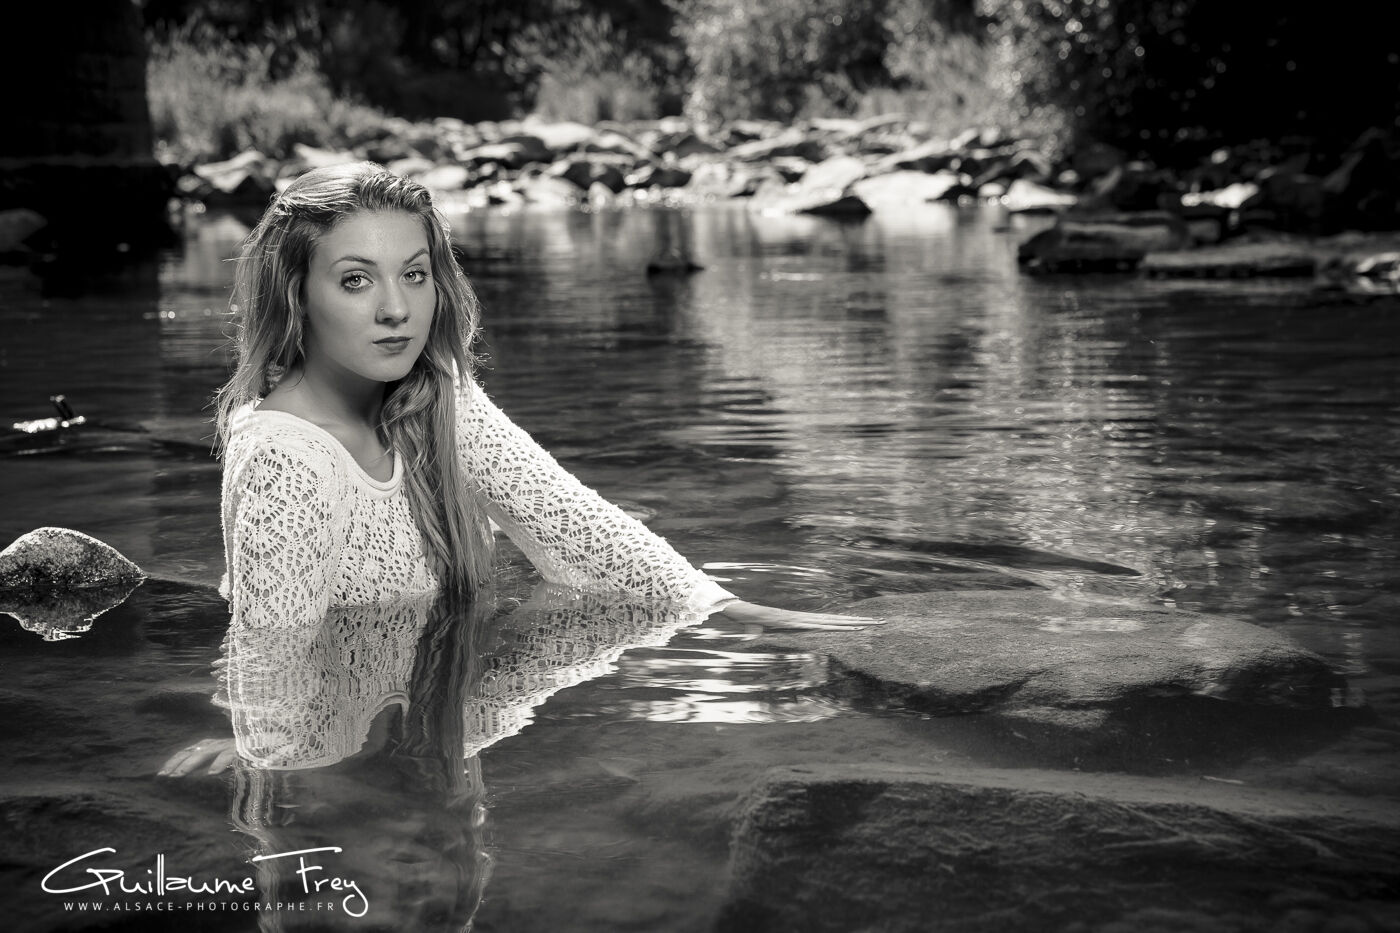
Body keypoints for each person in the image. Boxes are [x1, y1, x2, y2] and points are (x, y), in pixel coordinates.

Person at [161, 162, 872, 777]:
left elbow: (578, 526)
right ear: (295, 295)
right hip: (339, 741)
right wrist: (259, 744)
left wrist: (731, 612)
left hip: (437, 703)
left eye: (414, 275)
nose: (396, 309)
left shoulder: (437, 397)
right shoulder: (286, 455)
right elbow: (275, 644)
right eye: (355, 280)